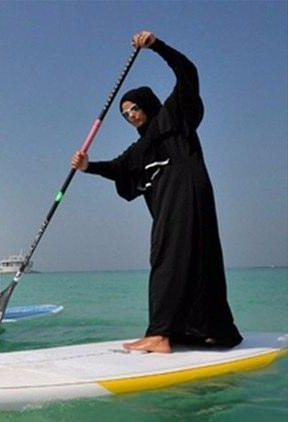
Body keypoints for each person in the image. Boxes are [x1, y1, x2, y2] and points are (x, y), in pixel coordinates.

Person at [71, 31, 242, 353]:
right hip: (171, 204)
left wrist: (156, 46)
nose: (130, 116)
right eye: (125, 114)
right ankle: (208, 330)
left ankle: (160, 334)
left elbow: (187, 72)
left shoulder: (172, 115)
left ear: (147, 103)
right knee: (196, 259)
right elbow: (119, 167)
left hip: (186, 194)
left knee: (167, 258)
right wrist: (88, 166)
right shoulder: (141, 147)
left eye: (134, 108)